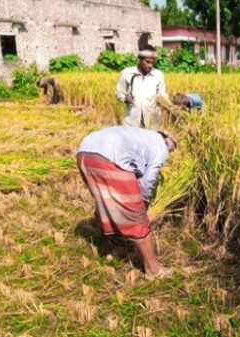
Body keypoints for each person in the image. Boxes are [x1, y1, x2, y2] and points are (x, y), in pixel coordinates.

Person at [76, 125, 177, 280]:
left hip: (84, 152)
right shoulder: (161, 146)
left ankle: (109, 247)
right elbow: (149, 178)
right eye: (172, 149)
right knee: (136, 217)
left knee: (107, 204)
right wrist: (143, 201)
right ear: (168, 141)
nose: (170, 153)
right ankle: (153, 269)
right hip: (109, 156)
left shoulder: (143, 135)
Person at [116, 45, 172, 129]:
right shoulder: (127, 73)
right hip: (132, 120)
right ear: (140, 59)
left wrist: (171, 106)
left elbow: (162, 94)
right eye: (148, 62)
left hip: (152, 121)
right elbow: (119, 92)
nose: (150, 65)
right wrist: (124, 98)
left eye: (153, 62)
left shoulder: (158, 75)